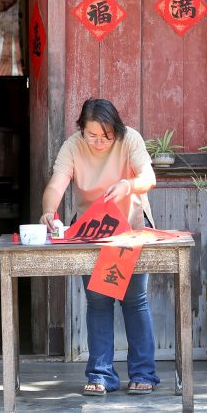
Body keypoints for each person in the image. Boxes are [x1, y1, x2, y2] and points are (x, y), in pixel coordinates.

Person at [39, 98, 159, 397]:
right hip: (91, 227)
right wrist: (49, 211)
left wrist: (128, 185)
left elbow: (149, 177)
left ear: (116, 130)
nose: (99, 142)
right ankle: (101, 375)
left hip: (129, 223)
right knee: (98, 301)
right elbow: (57, 183)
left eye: (106, 136)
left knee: (134, 300)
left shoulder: (129, 138)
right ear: (82, 129)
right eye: (93, 136)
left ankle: (143, 373)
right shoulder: (73, 145)